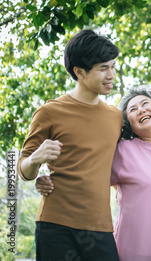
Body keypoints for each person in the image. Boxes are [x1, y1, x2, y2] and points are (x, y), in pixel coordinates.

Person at [36, 86, 151, 261]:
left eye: (145, 103)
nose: (140, 110)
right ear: (128, 123)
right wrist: (47, 180)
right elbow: (86, 176)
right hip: (138, 252)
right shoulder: (123, 150)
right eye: (132, 110)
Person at [18, 29, 122, 260]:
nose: (111, 74)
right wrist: (35, 161)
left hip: (100, 227)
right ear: (79, 72)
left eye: (113, 66)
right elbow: (23, 169)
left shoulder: (116, 117)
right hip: (55, 225)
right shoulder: (49, 112)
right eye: (103, 68)